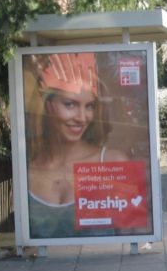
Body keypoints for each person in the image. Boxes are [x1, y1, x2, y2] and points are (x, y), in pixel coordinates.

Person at [24, 53, 128, 238]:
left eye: (89, 106)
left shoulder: (112, 162)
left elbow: (132, 229)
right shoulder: (27, 168)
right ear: (48, 106)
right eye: (70, 104)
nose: (82, 118)